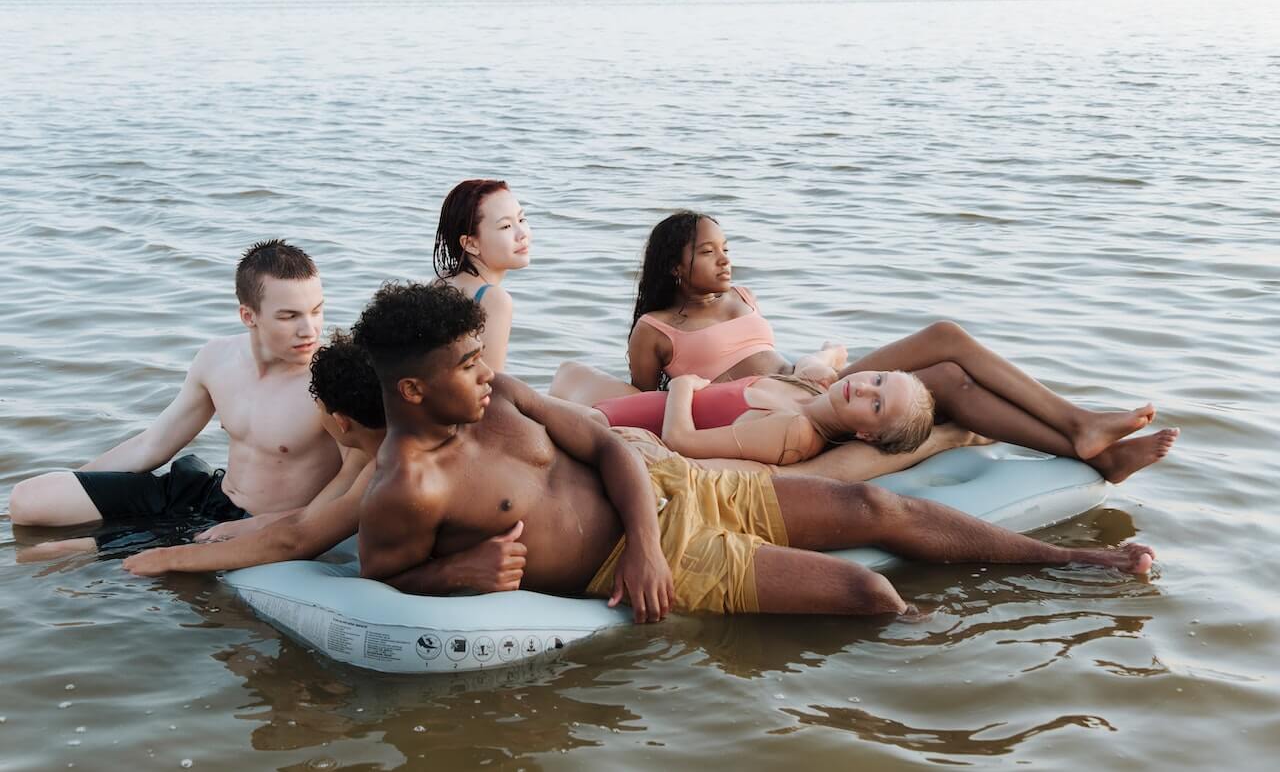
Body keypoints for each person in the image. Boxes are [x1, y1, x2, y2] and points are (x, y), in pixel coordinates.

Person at [354, 282, 1155, 623]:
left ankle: (1070, 566)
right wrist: (452, 574)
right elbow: (382, 574)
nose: (483, 369)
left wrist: (640, 541)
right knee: (870, 594)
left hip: (673, 481)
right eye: (463, 365)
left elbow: (604, 441)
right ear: (414, 391)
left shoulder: (502, 395)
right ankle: (955, 645)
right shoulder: (409, 487)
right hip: (669, 551)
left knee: (877, 506)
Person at [554, 211, 1178, 483]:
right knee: (947, 361)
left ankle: (1084, 432)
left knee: (949, 354)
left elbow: (774, 355)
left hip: (810, 384)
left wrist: (821, 361)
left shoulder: (743, 294)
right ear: (673, 267)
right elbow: (651, 402)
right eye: (708, 252)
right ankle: (1085, 439)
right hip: (776, 410)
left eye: (725, 246)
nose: (725, 259)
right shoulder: (655, 330)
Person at [122, 331, 526, 589]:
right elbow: (310, 518)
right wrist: (261, 522)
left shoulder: (393, 471)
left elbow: (298, 539)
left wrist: (166, 557)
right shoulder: (397, 445)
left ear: (340, 422)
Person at [9, 240, 366, 529]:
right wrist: (79, 482)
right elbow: (153, 445)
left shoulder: (331, 377)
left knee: (60, 554)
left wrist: (284, 525)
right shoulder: (217, 358)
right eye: (290, 316)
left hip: (263, 520)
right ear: (249, 316)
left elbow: (354, 476)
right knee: (28, 502)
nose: (309, 329)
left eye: (316, 310)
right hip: (207, 497)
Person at [592, 370, 935, 466]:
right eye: (878, 379)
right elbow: (817, 364)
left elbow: (680, 442)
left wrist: (682, 385)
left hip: (605, 425)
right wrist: (829, 352)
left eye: (877, 405)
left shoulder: (794, 431)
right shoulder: (813, 391)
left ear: (867, 435)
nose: (863, 388)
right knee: (569, 370)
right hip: (623, 406)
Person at [432, 178, 531, 372]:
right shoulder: (493, 298)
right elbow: (491, 386)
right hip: (470, 401)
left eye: (521, 219)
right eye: (505, 227)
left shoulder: (442, 280)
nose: (522, 234)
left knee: (570, 373)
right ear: (470, 244)